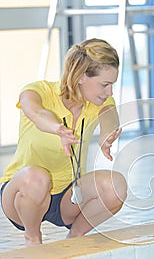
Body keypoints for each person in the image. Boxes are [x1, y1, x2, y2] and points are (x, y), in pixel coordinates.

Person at [0, 38, 127, 246]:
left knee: (116, 186)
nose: (109, 92)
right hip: (22, 195)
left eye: (112, 85)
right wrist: (57, 128)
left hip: (66, 197)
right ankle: (33, 238)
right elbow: (37, 113)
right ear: (81, 77)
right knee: (36, 177)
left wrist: (107, 134)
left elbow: (110, 117)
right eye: (105, 84)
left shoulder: (98, 101)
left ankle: (74, 239)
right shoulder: (37, 91)